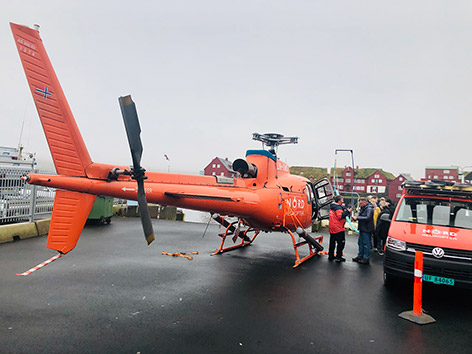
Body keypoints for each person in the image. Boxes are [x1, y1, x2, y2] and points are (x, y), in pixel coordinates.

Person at [328, 195, 351, 262]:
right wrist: (347, 212)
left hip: (332, 226)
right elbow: (340, 216)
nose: (343, 201)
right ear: (339, 201)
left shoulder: (332, 207)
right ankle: (339, 256)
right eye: (342, 200)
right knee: (341, 243)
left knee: (332, 242)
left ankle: (331, 255)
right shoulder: (338, 208)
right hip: (338, 228)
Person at [352, 197, 374, 264]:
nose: (360, 204)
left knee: (366, 244)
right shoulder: (365, 208)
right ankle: (360, 256)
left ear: (365, 202)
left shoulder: (369, 208)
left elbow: (368, 217)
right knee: (360, 243)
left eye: (361, 203)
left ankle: (366, 258)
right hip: (363, 228)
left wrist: (357, 218)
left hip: (366, 229)